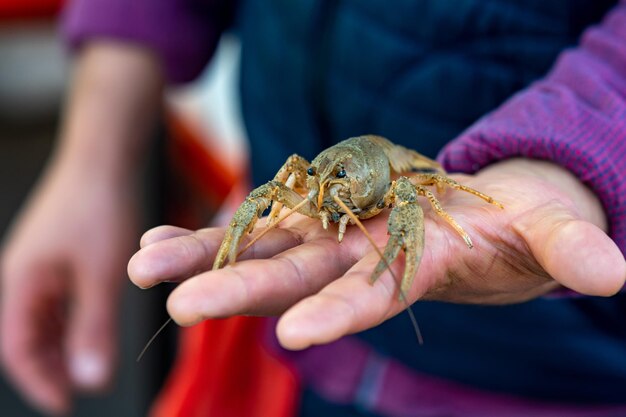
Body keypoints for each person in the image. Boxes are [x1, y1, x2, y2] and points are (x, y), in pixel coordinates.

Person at [2, 0, 626, 416]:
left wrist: (564, 158)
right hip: (299, 359)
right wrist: (93, 157)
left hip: (546, 376)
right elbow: (278, 188)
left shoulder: (401, 182)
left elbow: (426, 189)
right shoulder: (312, 182)